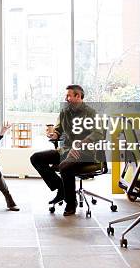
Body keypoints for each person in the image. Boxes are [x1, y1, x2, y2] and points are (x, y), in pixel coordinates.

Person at [30, 85, 105, 216]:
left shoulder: (91, 113)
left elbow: (99, 133)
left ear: (78, 96)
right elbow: (59, 129)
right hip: (65, 150)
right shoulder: (65, 112)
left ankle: (71, 203)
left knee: (64, 166)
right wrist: (55, 135)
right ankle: (60, 187)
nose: (66, 98)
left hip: (85, 152)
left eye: (69, 95)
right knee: (36, 158)